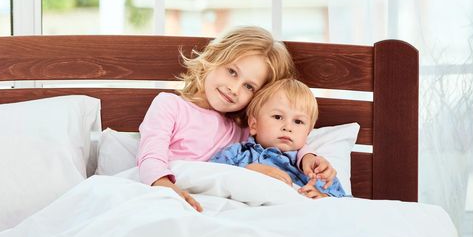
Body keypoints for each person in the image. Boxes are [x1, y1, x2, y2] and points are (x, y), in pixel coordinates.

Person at [136, 26, 336, 212]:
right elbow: (151, 158)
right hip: (170, 193)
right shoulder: (170, 105)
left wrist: (308, 157)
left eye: (249, 86)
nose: (234, 88)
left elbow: (283, 137)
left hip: (214, 204)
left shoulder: (242, 129)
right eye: (232, 72)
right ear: (213, 58)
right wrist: (166, 188)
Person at [209, 78, 347, 198]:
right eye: (277, 117)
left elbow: (343, 204)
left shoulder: (313, 169)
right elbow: (208, 178)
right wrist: (249, 171)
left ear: (307, 133)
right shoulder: (236, 153)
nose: (288, 127)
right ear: (254, 124)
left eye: (298, 121)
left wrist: (322, 197)